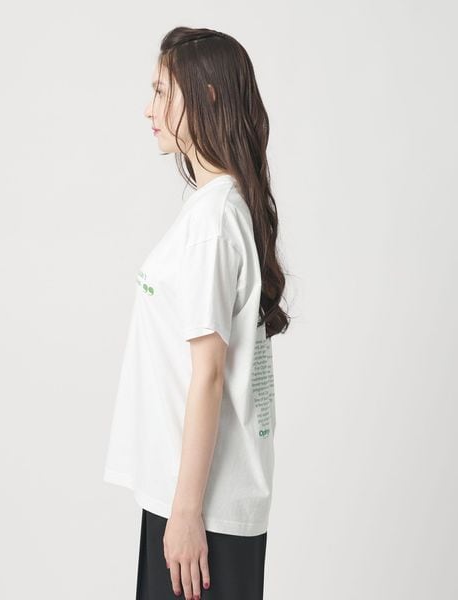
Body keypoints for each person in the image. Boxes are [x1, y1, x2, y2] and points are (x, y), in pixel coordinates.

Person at [103, 26, 290, 600]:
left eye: (162, 92)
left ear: (206, 97)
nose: (148, 109)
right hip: (195, 498)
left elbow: (208, 375)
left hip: (199, 510)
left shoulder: (213, 221)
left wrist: (185, 514)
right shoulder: (217, 208)